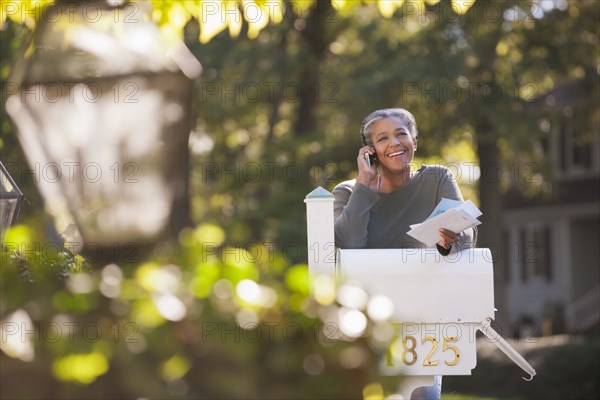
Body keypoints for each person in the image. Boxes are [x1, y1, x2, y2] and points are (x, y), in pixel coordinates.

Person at [332, 108, 476, 400]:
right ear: (370, 151)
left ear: (414, 141)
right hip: (367, 323)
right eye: (382, 138)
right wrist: (364, 186)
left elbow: (466, 235)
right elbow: (349, 245)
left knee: (423, 395)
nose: (394, 143)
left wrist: (449, 243)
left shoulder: (437, 179)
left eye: (401, 134)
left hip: (424, 316)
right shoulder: (348, 193)